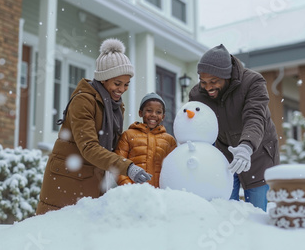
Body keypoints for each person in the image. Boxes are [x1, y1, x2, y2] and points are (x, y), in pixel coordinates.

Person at [36, 38, 152, 215]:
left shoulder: (114, 106)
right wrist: (127, 167)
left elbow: (114, 147)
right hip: (67, 180)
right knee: (59, 236)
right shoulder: (83, 101)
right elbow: (89, 148)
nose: (121, 89)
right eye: (117, 83)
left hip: (92, 180)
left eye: (126, 84)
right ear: (103, 79)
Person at [189, 44, 280, 211]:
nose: (208, 87)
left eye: (213, 82)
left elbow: (255, 116)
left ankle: (257, 237)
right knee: (225, 207)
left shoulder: (253, 82)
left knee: (257, 211)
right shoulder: (198, 95)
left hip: (258, 152)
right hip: (225, 154)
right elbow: (197, 128)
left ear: (227, 76)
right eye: (203, 82)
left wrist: (246, 146)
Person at [114, 93, 177, 187]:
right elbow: (118, 164)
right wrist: (128, 187)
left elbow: (174, 169)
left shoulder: (169, 141)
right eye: (149, 110)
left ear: (163, 116)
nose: (153, 115)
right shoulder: (128, 135)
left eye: (158, 112)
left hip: (160, 195)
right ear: (140, 113)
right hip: (134, 193)